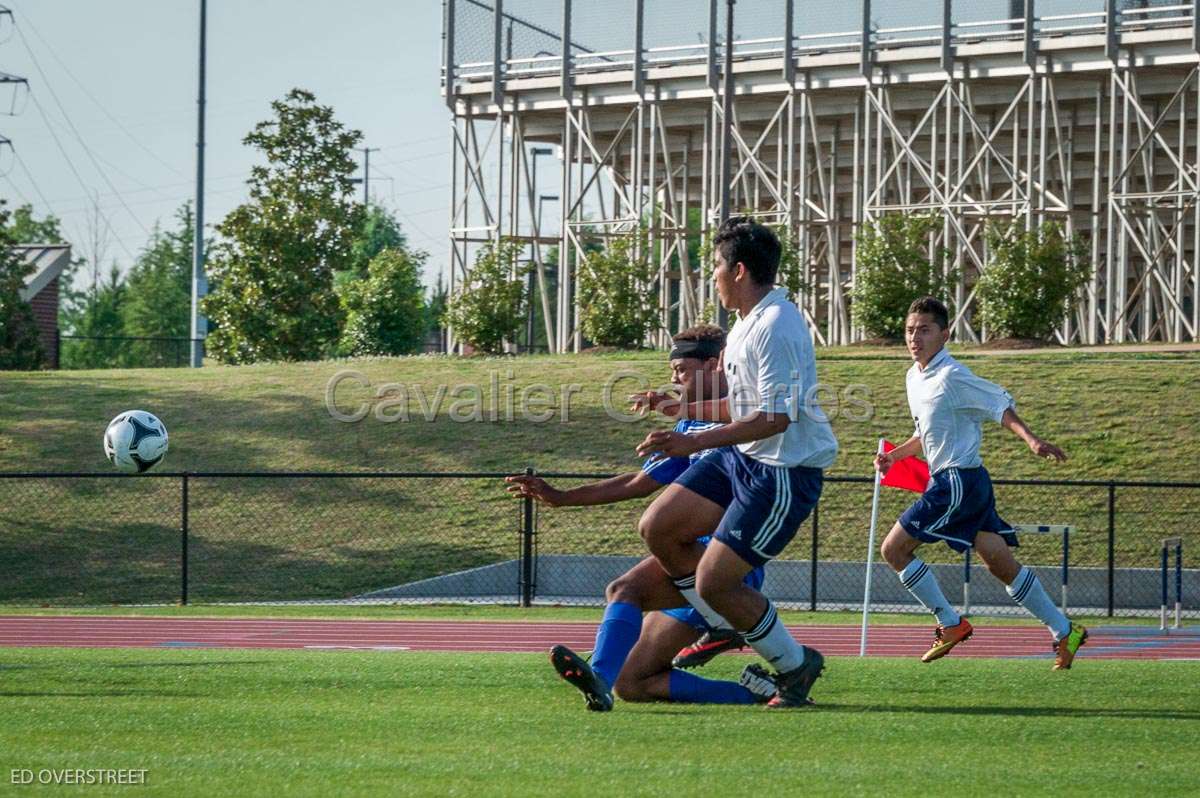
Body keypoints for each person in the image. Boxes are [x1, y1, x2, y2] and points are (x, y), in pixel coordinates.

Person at [505, 325, 777, 711]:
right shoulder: (688, 426)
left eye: (681, 369)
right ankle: (755, 694)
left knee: (624, 589)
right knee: (633, 682)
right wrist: (560, 498)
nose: (673, 379)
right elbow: (638, 482)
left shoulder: (750, 419)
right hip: (684, 557)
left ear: (714, 364)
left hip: (726, 560)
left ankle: (599, 675)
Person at [630, 217, 839, 709]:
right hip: (743, 456)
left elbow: (774, 419)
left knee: (715, 582)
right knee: (658, 526)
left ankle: (793, 665)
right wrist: (680, 409)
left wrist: (691, 443)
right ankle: (726, 622)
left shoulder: (777, 326)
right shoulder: (746, 323)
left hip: (781, 471)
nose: (714, 277)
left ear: (739, 270)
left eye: (717, 267)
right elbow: (742, 409)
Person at [874, 296, 1088, 669]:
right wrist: (896, 456)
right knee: (999, 561)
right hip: (967, 483)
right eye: (910, 330)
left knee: (893, 550)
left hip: (956, 481)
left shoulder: (953, 376)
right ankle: (1064, 629)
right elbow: (927, 433)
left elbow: (998, 406)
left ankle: (949, 623)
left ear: (945, 334)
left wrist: (1031, 439)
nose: (915, 337)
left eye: (924, 330)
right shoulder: (914, 377)